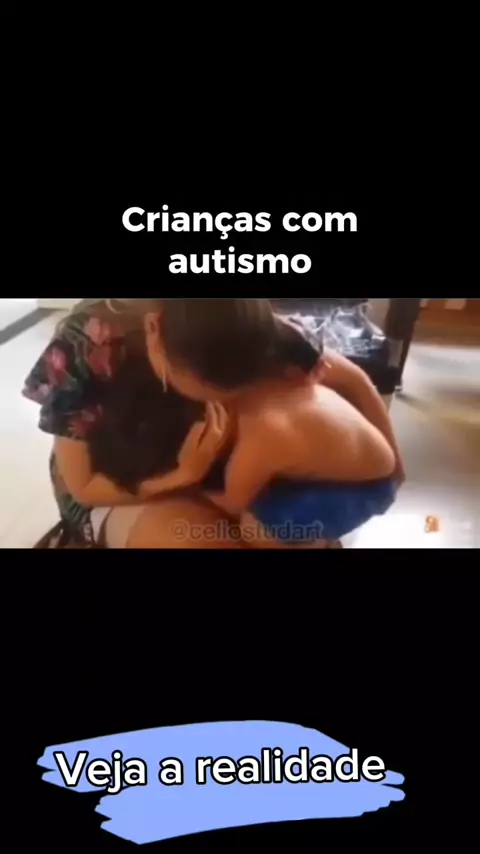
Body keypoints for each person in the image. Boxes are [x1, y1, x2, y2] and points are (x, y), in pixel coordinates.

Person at [23, 297, 404, 549]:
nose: (227, 399)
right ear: (154, 330)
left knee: (272, 533)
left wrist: (392, 466)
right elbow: (86, 487)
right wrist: (183, 477)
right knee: (200, 540)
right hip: (126, 482)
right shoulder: (84, 343)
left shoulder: (229, 315)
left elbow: (347, 376)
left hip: (227, 472)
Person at [154, 299, 404, 547]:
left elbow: (233, 502)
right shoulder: (276, 365)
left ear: (202, 379)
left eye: (169, 367)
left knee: (255, 528)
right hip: (350, 461)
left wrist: (186, 483)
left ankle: (318, 542)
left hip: (362, 489)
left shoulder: (264, 431)